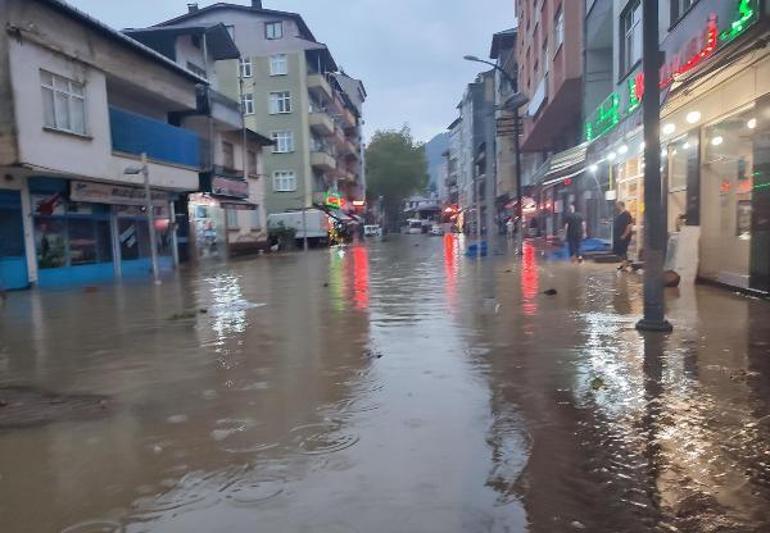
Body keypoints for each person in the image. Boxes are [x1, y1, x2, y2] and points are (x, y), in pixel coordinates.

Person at [613, 201, 634, 271]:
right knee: (619, 250)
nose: (616, 207)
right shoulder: (619, 214)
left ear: (621, 205)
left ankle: (625, 266)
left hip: (624, 236)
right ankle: (623, 264)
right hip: (619, 235)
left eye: (617, 205)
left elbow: (629, 225)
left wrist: (624, 235)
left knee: (623, 250)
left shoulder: (626, 214)